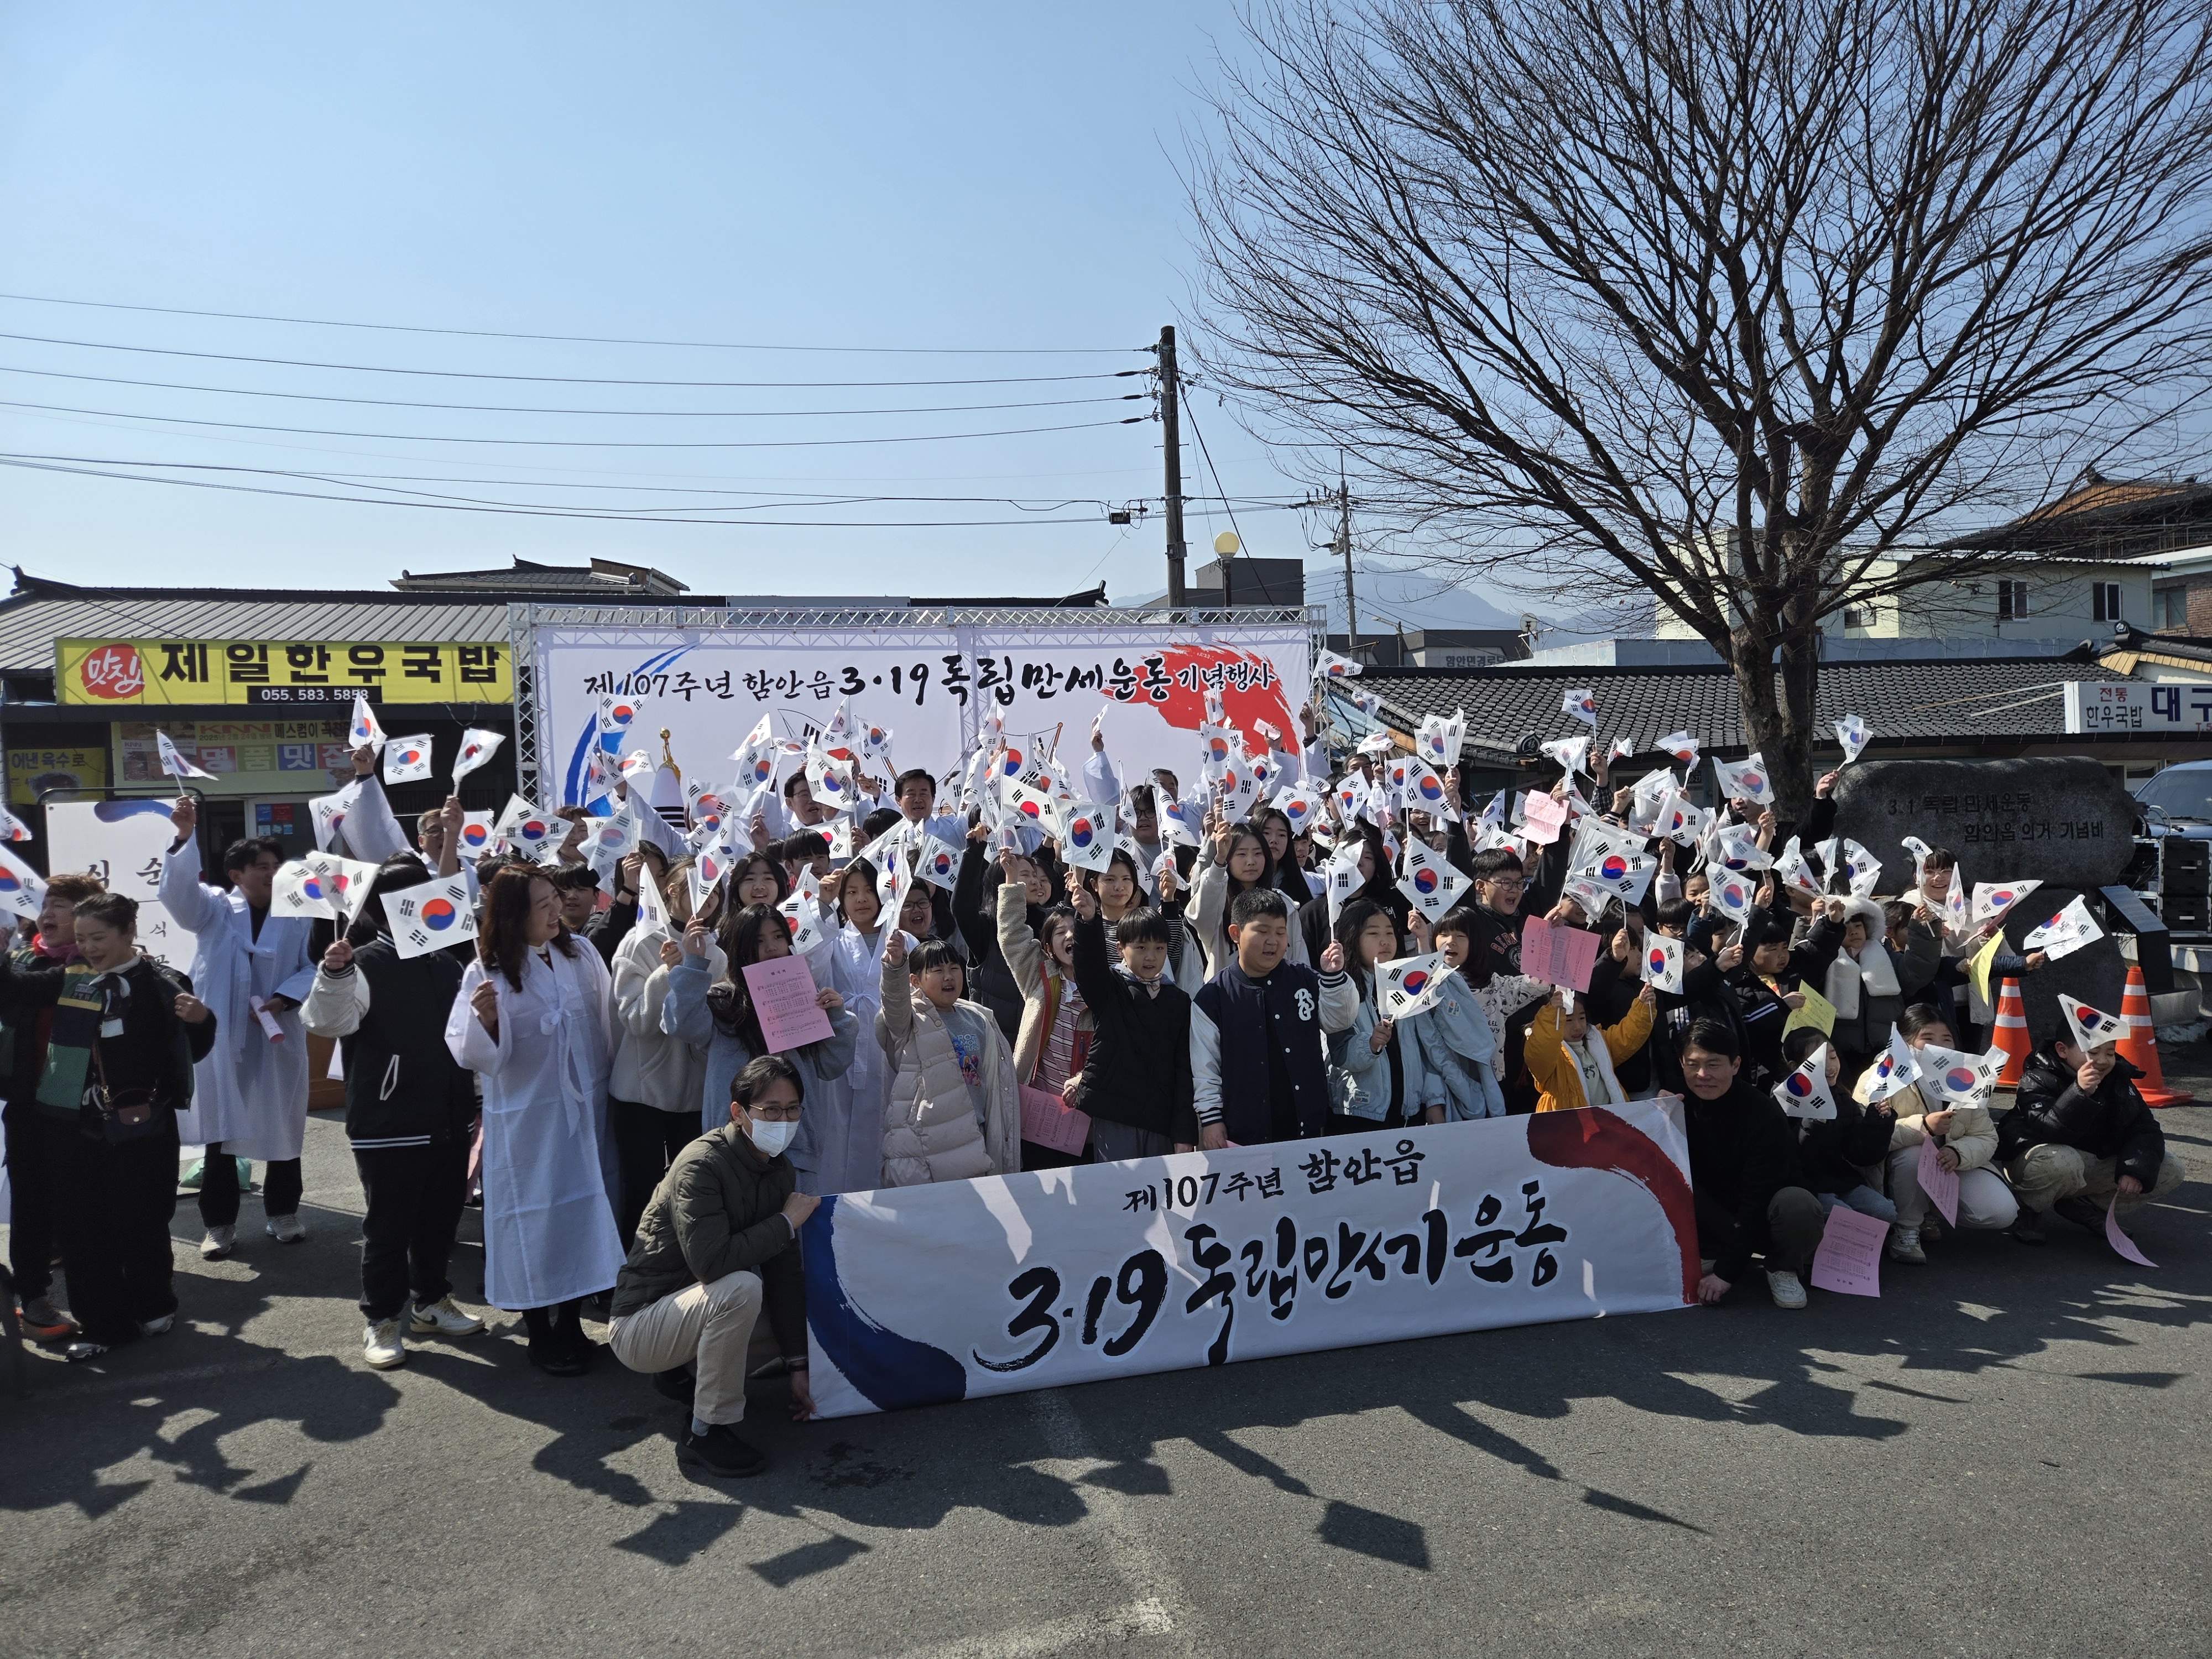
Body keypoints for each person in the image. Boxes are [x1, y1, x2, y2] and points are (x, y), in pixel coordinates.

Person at [0, 893, 217, 1361]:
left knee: (141, 1222)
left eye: (99, 937)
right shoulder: (71, 977)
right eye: (82, 939)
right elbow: (15, 989)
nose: (90, 948)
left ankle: (155, 1304)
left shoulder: (161, 983)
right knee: (82, 1229)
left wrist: (202, 1020)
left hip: (141, 1129)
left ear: (129, 933)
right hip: (71, 1126)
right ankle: (104, 1324)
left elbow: (192, 1052)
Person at [301, 852, 486, 1371]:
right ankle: (382, 1319)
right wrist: (334, 974)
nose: (430, 904)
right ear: (389, 908)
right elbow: (325, 1021)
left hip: (448, 1118)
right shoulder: (362, 962)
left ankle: (430, 1301)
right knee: (389, 1227)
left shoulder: (448, 964)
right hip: (388, 1122)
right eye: (417, 896)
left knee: (439, 1222)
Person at [444, 866, 624, 1376]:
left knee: (582, 1214)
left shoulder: (580, 953)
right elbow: (470, 1053)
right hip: (529, 1121)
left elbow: (606, 1023)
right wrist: (487, 1024)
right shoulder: (488, 972)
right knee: (535, 1220)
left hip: (585, 1112)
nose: (555, 909)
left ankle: (570, 1319)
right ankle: (539, 1329)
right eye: (542, 903)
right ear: (512, 914)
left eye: (556, 898)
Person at [608, 1054, 816, 1479]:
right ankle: (706, 1431)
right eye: (771, 1110)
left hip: (688, 1314)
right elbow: (711, 1263)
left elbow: (784, 1275)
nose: (785, 1119)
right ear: (738, 1113)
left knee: (802, 1303)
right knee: (740, 1289)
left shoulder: (779, 1170)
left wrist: (800, 1366)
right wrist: (783, 1223)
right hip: (640, 1325)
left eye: (793, 1108)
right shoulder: (701, 1164)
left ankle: (682, 1373)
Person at [160, 797, 318, 1255]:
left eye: (276, 864)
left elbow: (311, 966)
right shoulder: (213, 909)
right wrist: (185, 837)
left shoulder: (299, 912)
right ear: (236, 875)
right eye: (262, 866)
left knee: (283, 1125)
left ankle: (283, 1213)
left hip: (275, 1031)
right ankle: (220, 1225)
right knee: (222, 1131)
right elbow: (180, 897)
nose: (272, 872)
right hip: (223, 1035)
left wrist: (283, 997)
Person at [661, 902, 859, 1189]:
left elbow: (829, 1067)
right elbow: (682, 1025)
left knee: (793, 1229)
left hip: (795, 1143)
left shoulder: (804, 995)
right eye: (759, 941)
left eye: (779, 937)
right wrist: (693, 963)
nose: (772, 947)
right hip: (732, 1147)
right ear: (741, 946)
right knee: (741, 1229)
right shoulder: (723, 1000)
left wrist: (838, 1018)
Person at [2, 870, 105, 1340]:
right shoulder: (22, 958)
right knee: (30, 1203)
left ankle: (102, 1299)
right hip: (26, 1101)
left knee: (83, 1202)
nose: (47, 914)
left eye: (61, 905)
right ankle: (34, 1295)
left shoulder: (102, 965)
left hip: (82, 1105)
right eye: (45, 905)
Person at [1190, 888, 1358, 1147]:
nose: (1273, 941)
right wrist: (1211, 1120)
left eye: (1281, 932)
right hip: (1244, 1134)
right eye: (1262, 931)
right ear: (1236, 934)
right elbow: (1205, 1069)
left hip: (1307, 1128)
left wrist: (1334, 978)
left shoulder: (1304, 978)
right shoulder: (1213, 997)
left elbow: (1340, 1021)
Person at [1676, 1019, 1826, 1310]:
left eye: (1714, 1064)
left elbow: (1756, 1201)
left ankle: (1783, 1267)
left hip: (1763, 1214)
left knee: (1798, 1204)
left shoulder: (1762, 1115)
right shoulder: (1676, 1102)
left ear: (1735, 1065)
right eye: (1692, 1065)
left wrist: (1725, 1274)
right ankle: (1710, 1250)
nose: (1703, 1075)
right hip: (1716, 1217)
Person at [1999, 1015, 2186, 1244]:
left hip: (2087, 1161)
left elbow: (2144, 1128)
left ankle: (2083, 1206)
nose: (2103, 1061)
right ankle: (2029, 1209)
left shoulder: (2117, 1078)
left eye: (2109, 1053)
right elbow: (2050, 1131)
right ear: (2062, 1050)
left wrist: (2135, 1169)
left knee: (2169, 1168)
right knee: (2063, 1162)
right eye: (2093, 1052)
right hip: (2038, 1160)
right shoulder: (2037, 1078)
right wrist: (2079, 1092)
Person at [605, 857, 712, 1248]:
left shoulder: (716, 949)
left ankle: (678, 1275)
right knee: (642, 1189)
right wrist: (670, 973)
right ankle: (631, 1276)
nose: (707, 899)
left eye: (714, 891)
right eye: (697, 889)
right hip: (642, 1094)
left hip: (696, 1094)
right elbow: (635, 1020)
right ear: (670, 891)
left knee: (689, 1190)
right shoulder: (639, 941)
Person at [1855, 1004, 2016, 1262]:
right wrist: (1924, 1126)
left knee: (2001, 1212)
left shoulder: (1968, 1077)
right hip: (1894, 1171)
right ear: (1905, 1042)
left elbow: (1986, 1136)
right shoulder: (1880, 1076)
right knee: (1916, 1154)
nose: (1939, 1047)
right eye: (1927, 1039)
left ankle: (1928, 1215)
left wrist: (1958, 1152)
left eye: (1947, 1039)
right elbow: (1862, 1137)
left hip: (1950, 1167)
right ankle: (1906, 1229)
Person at [877, 932, 1020, 1185]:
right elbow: (894, 1001)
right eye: (937, 970)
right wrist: (895, 965)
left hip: (972, 1136)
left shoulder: (978, 1019)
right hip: (925, 1143)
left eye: (954, 968)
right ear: (915, 980)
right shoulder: (911, 1019)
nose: (948, 976)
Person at [1065, 890, 1195, 1159]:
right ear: (1120, 949)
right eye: (1141, 947)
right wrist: (1089, 920)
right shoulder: (1111, 988)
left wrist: (1184, 1133)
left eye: (1159, 948)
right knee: (1118, 1195)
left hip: (1160, 1121)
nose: (1151, 957)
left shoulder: (1179, 1001)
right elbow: (1089, 966)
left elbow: (1185, 1070)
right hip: (1116, 1117)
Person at [995, 884, 1091, 1167]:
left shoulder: (1106, 987)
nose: (1070, 936)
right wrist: (1012, 882)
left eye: (1076, 930)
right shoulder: (1040, 978)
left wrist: (1085, 1078)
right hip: (1037, 1112)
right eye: (1061, 932)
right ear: (1048, 947)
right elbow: (1012, 936)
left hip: (1084, 1118)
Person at [1325, 898, 1430, 1132]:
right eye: (1373, 934)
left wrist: (1433, 1100)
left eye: (1390, 933)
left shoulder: (1404, 984)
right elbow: (1340, 1054)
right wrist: (1371, 1044)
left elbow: (1427, 1046)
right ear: (1352, 938)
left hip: (1408, 1113)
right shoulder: (1342, 989)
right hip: (1360, 1114)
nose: (1384, 941)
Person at [1779, 1026, 1897, 1225]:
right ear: (1794, 1066)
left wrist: (1877, 1123)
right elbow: (1790, 1159)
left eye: (1832, 1057)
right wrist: (1812, 1127)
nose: (1829, 1067)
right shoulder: (1783, 1100)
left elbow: (1859, 1155)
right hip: (1804, 1186)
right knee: (1843, 1216)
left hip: (1840, 1180)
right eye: (1817, 1061)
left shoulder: (1842, 1098)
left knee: (1885, 1212)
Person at [1407, 905, 1509, 1120]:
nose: (1451, 941)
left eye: (1461, 936)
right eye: (1443, 934)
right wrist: (1422, 940)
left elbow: (1533, 984)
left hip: (1486, 1083)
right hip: (1443, 1089)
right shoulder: (1436, 980)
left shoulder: (1494, 984)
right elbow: (1429, 983)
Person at [1192, 817, 1308, 980]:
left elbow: (1300, 958)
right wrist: (1219, 861)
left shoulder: (1285, 904)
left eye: (1258, 853)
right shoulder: (1218, 904)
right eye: (1242, 854)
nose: (1251, 861)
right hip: (1229, 998)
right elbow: (1202, 916)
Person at [1526, 983, 1655, 1113]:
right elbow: (1540, 1050)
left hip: (1607, 1122)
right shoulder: (1551, 1056)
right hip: (1567, 1128)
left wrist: (1643, 1005)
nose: (1577, 1026)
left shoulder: (1597, 1041)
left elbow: (1628, 1035)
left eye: (1582, 1018)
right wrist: (1550, 1013)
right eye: (1569, 1020)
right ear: (1555, 1020)